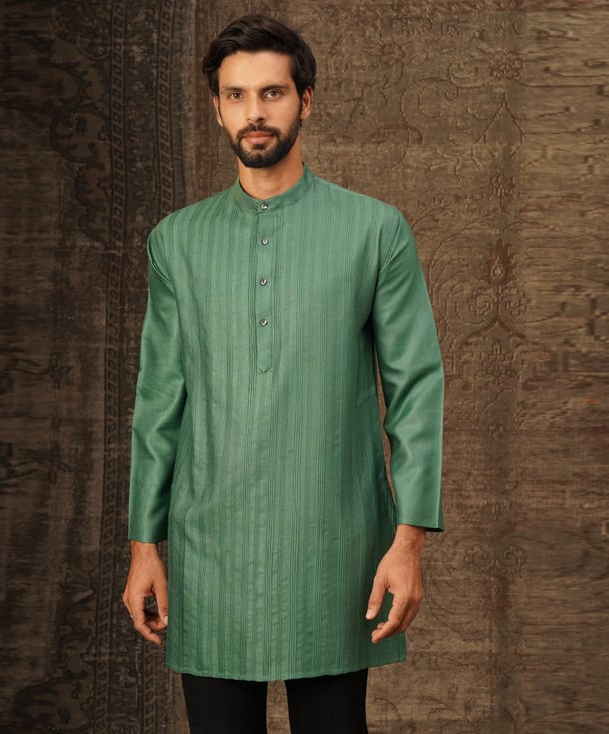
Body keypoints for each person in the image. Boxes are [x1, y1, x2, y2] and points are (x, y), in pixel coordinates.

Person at [122, 14, 444, 734]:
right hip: (210, 548)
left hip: (336, 544)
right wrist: (145, 547)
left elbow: (416, 389)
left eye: (272, 92)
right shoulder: (177, 241)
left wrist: (408, 541)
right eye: (235, 95)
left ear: (306, 101)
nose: (254, 112)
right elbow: (159, 398)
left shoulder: (375, 230)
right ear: (217, 108)